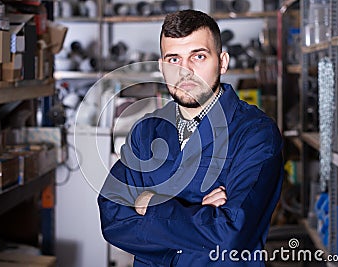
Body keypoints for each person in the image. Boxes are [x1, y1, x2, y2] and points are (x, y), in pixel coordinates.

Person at [98, 9, 283, 266]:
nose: (185, 72)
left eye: (198, 56)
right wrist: (201, 212)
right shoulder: (147, 130)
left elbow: (231, 236)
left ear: (222, 62)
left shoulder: (255, 134)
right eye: (174, 60)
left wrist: (148, 204)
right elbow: (113, 217)